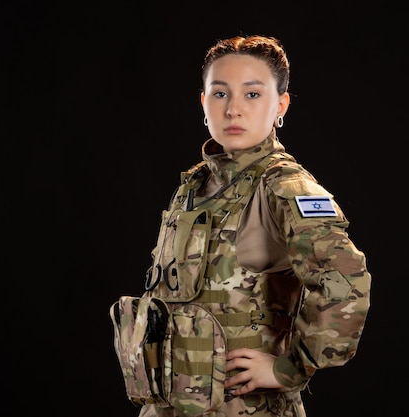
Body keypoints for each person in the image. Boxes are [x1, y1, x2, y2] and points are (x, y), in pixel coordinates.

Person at [114, 34, 372, 417]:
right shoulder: (196, 184)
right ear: (203, 102)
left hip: (244, 407)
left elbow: (346, 285)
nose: (233, 109)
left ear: (280, 105)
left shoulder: (284, 188)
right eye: (220, 94)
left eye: (252, 94)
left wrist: (288, 370)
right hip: (170, 403)